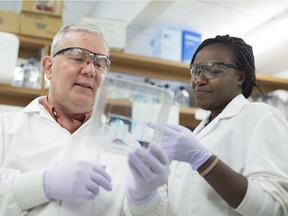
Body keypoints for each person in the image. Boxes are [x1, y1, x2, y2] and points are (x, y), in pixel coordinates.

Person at [0, 22, 169, 215]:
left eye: (99, 64)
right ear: (48, 67)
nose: (90, 70)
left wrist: (144, 198)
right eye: (78, 57)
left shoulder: (128, 147)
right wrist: (44, 184)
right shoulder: (5, 128)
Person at [155, 35, 288, 215]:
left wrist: (203, 161)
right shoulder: (199, 133)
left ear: (241, 76)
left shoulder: (262, 117)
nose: (199, 80)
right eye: (195, 70)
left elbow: (275, 208)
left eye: (214, 71)